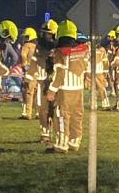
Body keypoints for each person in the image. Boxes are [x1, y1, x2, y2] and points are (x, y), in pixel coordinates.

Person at [47, 19, 88, 153]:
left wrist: (52, 90)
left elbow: (60, 74)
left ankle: (61, 143)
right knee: (77, 115)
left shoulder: (60, 52)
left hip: (65, 90)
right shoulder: (83, 50)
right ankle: (75, 141)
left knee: (61, 115)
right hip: (79, 89)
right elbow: (87, 68)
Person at [36, 19, 59, 146]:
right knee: (42, 108)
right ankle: (45, 133)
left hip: (54, 82)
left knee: (55, 109)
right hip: (41, 81)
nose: (46, 37)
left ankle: (56, 132)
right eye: (45, 34)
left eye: (49, 34)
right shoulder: (38, 48)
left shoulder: (58, 49)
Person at [19, 27, 39, 119]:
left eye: (26, 37)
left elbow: (23, 55)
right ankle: (38, 112)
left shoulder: (26, 46)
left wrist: (24, 65)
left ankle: (28, 113)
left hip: (29, 72)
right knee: (36, 93)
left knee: (28, 92)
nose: (25, 39)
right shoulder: (37, 46)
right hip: (38, 72)